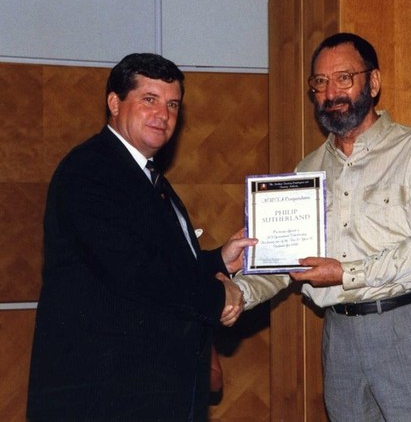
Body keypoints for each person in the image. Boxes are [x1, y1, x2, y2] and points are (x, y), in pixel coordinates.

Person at [233, 32, 411, 422]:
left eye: (344, 78)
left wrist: (346, 273)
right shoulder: (306, 171)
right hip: (341, 339)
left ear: (372, 83)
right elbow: (283, 261)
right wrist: (238, 292)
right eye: (320, 82)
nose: (331, 92)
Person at [27, 53, 256, 422]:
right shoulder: (90, 172)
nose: (162, 115)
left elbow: (159, 261)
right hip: (104, 397)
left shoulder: (148, 178)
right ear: (114, 103)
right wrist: (217, 296)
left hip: (146, 392)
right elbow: (134, 271)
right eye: (149, 99)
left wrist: (218, 261)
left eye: (172, 104)